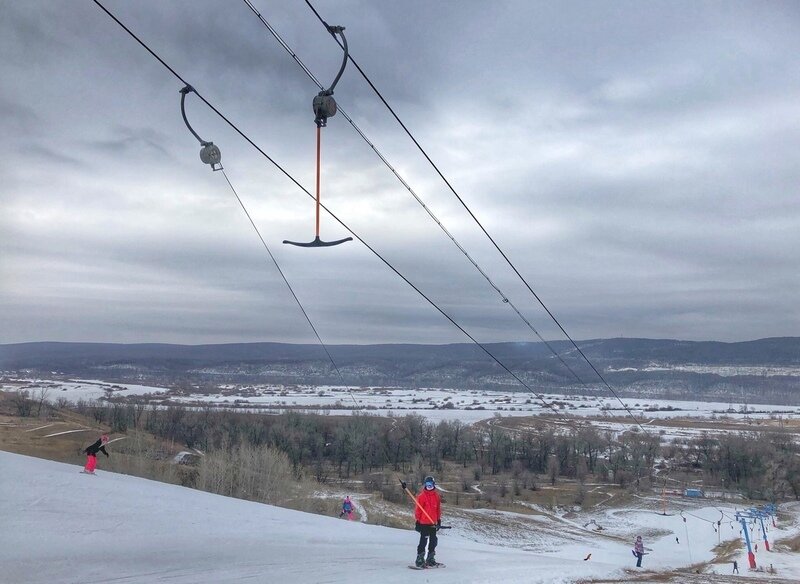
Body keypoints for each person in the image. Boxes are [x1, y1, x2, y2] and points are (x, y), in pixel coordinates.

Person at [414, 475, 442, 568]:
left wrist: (438, 520)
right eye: (427, 484)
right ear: (425, 485)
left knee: (433, 541)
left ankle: (430, 558)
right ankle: (420, 559)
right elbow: (418, 510)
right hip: (424, 523)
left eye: (430, 484)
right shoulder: (422, 496)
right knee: (423, 541)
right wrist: (418, 521)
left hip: (433, 523)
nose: (429, 486)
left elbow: (438, 509)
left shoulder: (436, 496)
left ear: (433, 484)